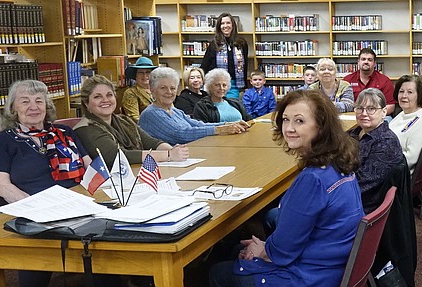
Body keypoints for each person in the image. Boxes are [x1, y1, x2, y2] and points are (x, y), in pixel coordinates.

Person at [208, 89, 364, 286]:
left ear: (321, 126)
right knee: (239, 247)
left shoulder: (313, 179)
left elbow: (283, 249)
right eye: (285, 119)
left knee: (218, 272)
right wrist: (265, 247)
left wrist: (262, 250)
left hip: (311, 275)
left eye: (299, 121)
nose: (289, 128)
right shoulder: (338, 161)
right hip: (334, 260)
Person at [0, 80, 124, 287]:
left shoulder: (64, 133)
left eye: (39, 101)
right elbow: (1, 186)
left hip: (78, 207)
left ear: (47, 106)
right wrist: (37, 208)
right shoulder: (4, 141)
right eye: (25, 102)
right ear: (13, 108)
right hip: (33, 212)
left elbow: (91, 169)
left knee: (108, 257)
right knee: (35, 267)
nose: (33, 107)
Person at [74, 75, 190, 166]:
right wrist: (168, 155)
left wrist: (175, 150)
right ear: (86, 103)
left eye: (109, 95)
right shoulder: (86, 128)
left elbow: (150, 142)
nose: (105, 100)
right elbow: (117, 157)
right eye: (97, 97)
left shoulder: (123, 120)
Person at [139, 67, 247, 145]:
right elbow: (181, 134)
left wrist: (228, 124)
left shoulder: (174, 110)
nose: (169, 92)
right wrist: (219, 130)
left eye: (172, 88)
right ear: (152, 90)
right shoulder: (151, 113)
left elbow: (197, 124)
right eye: (163, 88)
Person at [348, 88, 403, 211]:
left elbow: (362, 185)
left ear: (384, 112)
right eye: (360, 108)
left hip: (360, 204)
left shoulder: (386, 143)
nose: (364, 113)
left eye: (371, 109)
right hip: (347, 190)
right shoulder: (355, 132)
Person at [389, 74, 422, 173]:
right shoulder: (404, 114)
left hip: (398, 175)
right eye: (401, 91)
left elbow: (411, 159)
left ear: (420, 95)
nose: (404, 96)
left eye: (410, 92)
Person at [200, 12, 248, 99]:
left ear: (233, 25)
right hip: (217, 83)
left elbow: (245, 65)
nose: (225, 26)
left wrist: (244, 85)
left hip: (234, 85)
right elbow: (205, 65)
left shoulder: (241, 43)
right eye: (222, 23)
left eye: (228, 23)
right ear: (219, 27)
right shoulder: (214, 44)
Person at [342, 48, 396, 115]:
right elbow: (343, 103)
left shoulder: (385, 81)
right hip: (354, 115)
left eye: (370, 60)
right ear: (358, 62)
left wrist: (374, 115)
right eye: (363, 59)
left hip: (377, 116)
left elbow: (390, 106)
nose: (366, 62)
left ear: (374, 63)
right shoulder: (347, 80)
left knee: (387, 122)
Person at [122, 56, 157, 122]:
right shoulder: (131, 93)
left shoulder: (158, 90)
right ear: (136, 75)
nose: (145, 76)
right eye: (141, 72)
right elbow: (134, 118)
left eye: (148, 72)